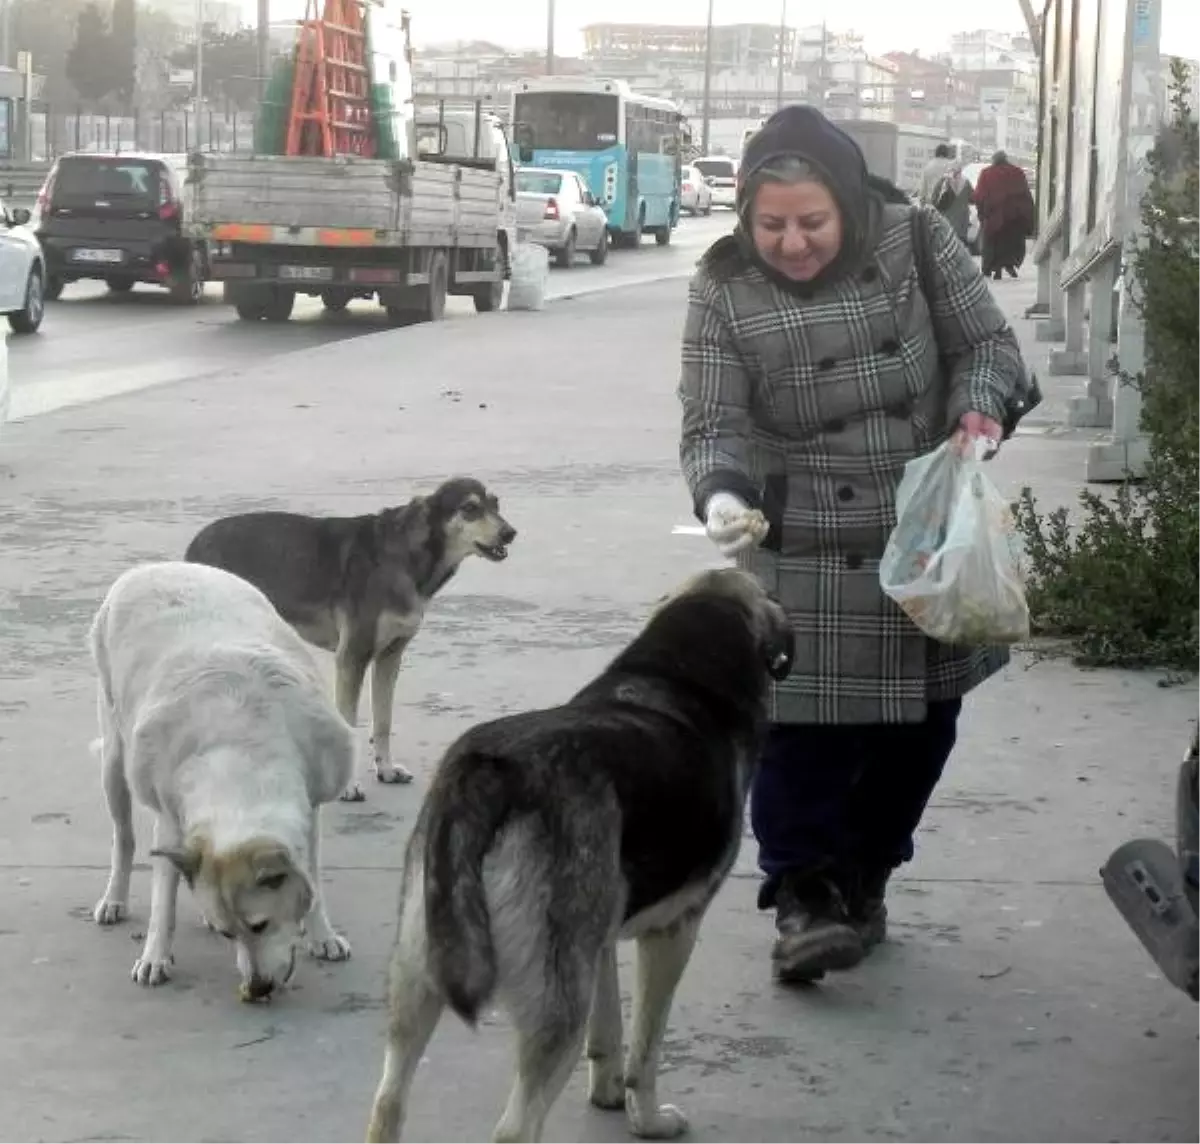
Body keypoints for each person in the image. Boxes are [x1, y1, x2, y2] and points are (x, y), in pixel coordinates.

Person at [676, 105, 1029, 985]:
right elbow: (713, 420)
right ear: (745, 217)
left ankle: (865, 877)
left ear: (846, 204)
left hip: (924, 528)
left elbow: (988, 344)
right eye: (771, 225)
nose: (792, 243)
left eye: (812, 223)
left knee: (920, 729)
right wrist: (722, 491)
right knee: (798, 733)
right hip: (803, 537)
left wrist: (979, 410)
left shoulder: (914, 241)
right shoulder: (721, 287)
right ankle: (803, 898)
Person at [972, 150, 1035, 280]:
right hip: (1013, 218)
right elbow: (1025, 195)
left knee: (993, 243)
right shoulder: (1017, 172)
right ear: (1006, 159)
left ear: (994, 160)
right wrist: (1027, 216)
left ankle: (995, 268)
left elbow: (979, 195)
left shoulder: (986, 173)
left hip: (993, 217)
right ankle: (1008, 265)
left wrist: (982, 213)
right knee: (1010, 243)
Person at [931, 161, 974, 247]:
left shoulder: (943, 181)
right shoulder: (966, 182)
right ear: (961, 170)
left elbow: (934, 199)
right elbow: (972, 199)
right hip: (961, 223)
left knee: (945, 246)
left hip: (946, 222)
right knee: (959, 248)